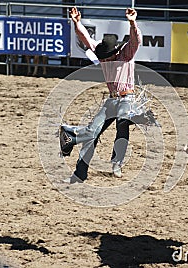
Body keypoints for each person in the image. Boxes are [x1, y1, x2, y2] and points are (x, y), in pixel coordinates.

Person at [59, 7, 144, 183]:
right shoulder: (102, 52)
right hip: (112, 99)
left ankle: (115, 163)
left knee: (122, 126)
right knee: (93, 133)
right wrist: (77, 23)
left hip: (126, 98)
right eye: (102, 57)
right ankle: (79, 172)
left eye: (106, 57)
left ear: (114, 53)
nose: (103, 61)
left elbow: (136, 40)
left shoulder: (126, 54)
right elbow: (86, 39)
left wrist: (132, 22)